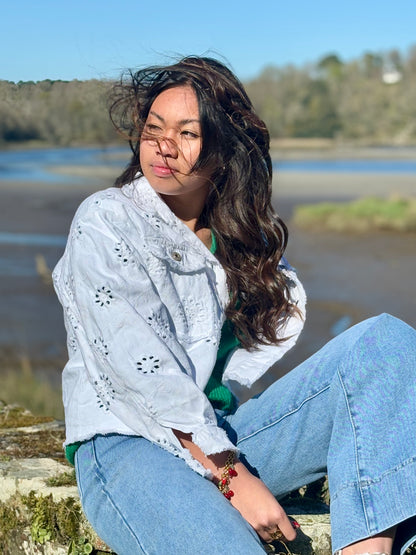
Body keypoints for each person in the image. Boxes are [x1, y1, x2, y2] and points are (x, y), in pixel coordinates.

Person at [53, 56, 416, 555]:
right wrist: (234, 479)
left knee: (387, 342)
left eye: (187, 133)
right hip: (128, 444)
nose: (163, 145)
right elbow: (144, 373)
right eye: (154, 128)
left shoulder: (236, 240)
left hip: (222, 435)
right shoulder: (107, 218)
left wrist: (227, 459)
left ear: (224, 150)